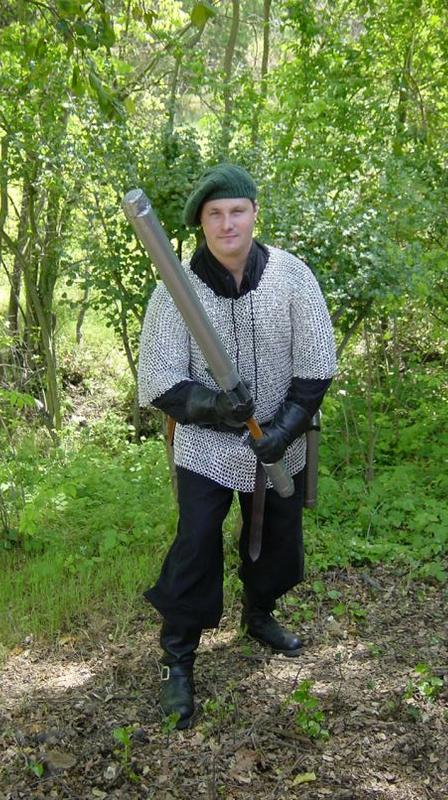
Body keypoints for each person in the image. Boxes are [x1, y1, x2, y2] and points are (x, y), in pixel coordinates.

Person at [137, 163, 336, 728]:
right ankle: (178, 658)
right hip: (206, 447)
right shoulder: (176, 290)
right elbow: (159, 381)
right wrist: (212, 406)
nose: (228, 224)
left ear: (254, 214)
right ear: (202, 223)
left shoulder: (292, 277)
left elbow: (317, 365)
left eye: (237, 211)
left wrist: (286, 428)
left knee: (277, 537)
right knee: (196, 541)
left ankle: (259, 611)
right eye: (215, 214)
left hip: (278, 439)